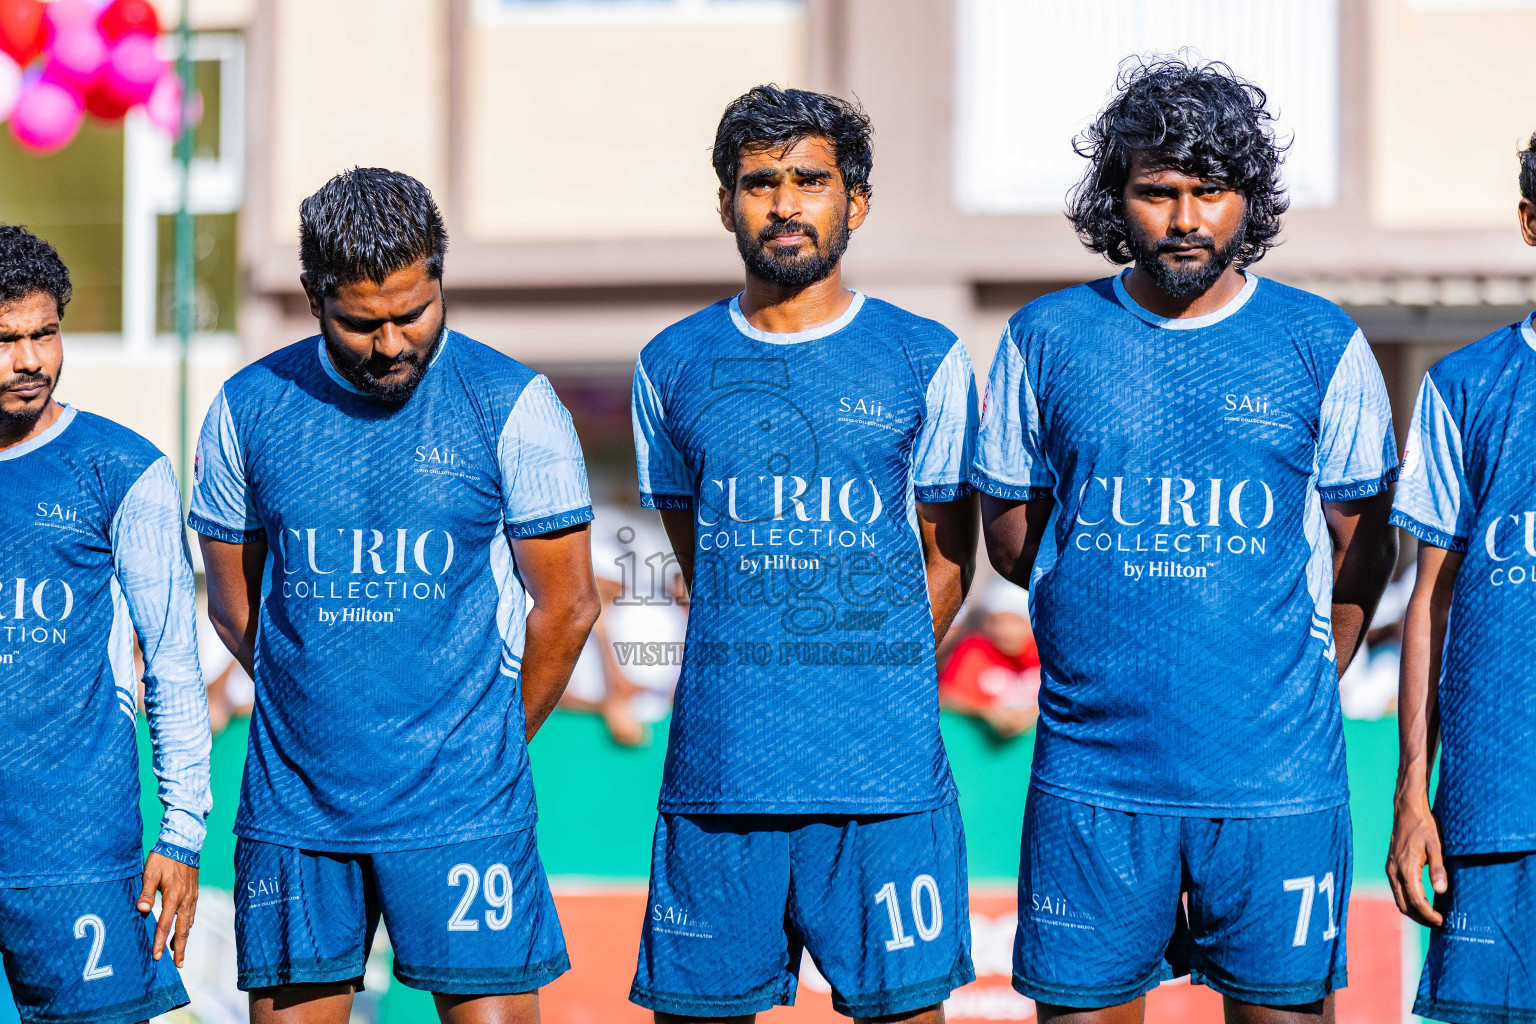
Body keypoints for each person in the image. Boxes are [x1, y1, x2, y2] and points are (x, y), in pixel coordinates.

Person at [971, 60, 1399, 1023]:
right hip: (1094, 774)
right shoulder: (1046, 337)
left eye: (1211, 191)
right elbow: (1011, 536)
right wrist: (1100, 601)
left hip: (1274, 778)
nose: (1185, 218)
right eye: (1157, 192)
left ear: (1250, 199)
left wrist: (1303, 672)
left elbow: (1365, 546)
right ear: (1116, 199)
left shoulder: (1320, 341)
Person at [188, 168, 601, 1024]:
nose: (390, 343)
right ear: (314, 299)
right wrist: (321, 713)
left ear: (440, 279)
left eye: (413, 313)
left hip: (463, 804)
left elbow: (567, 607)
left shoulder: (513, 403)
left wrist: (485, 745)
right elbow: (234, 608)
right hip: (298, 806)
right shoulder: (246, 408)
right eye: (360, 323)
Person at [629, 85, 980, 1023]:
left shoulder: (926, 356)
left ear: (854, 201)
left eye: (810, 181)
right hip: (720, 775)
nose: (785, 204)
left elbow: (950, 561)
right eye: (760, 183)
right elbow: (702, 562)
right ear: (726, 204)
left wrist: (868, 672)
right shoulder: (670, 363)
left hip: (882, 779)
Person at [0, 225, 211, 1024]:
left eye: (45, 334)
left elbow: (173, 662)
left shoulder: (122, 468)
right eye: (6, 340)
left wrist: (181, 834)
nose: (30, 360)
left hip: (78, 853)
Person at [1387, 132, 1536, 1024]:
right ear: (1530, 223)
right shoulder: (1467, 385)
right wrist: (1413, 789)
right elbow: (1430, 603)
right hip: (1498, 806)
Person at [938, 578, 1041, 739]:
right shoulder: (974, 651)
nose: (1005, 631)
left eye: (1015, 622)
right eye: (997, 621)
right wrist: (985, 711)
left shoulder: (1050, 656)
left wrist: (1034, 712)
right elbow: (945, 696)